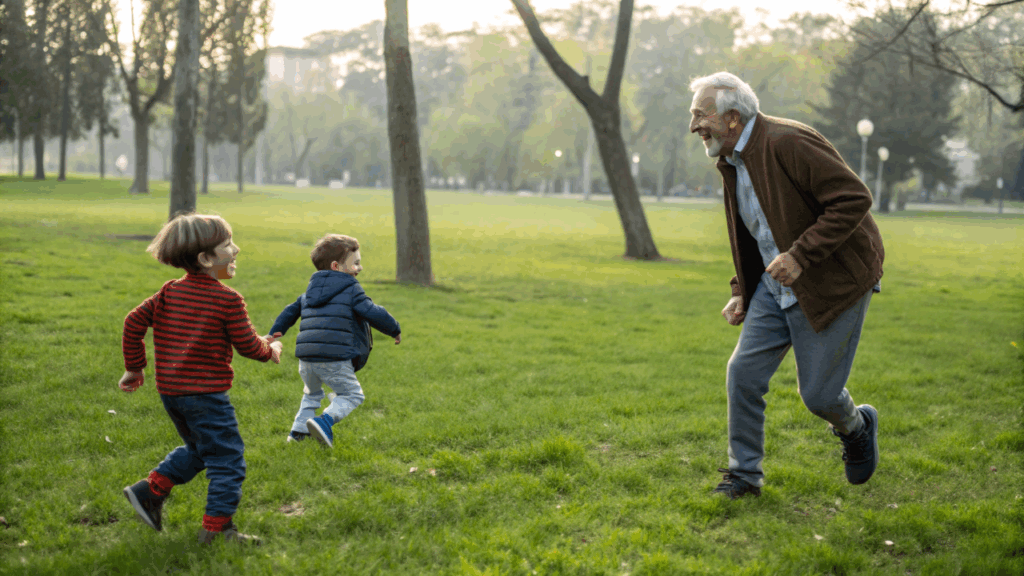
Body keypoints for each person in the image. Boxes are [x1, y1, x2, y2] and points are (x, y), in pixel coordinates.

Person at [688, 72, 884, 498]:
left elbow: (854, 198)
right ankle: (744, 477)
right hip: (777, 285)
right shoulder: (732, 160)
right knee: (743, 373)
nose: (693, 126)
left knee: (819, 395)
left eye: (700, 115)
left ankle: (857, 426)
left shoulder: (789, 142)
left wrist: (800, 256)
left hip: (833, 279)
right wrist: (742, 287)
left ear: (733, 118)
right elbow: (757, 230)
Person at [119, 213, 283, 544]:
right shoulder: (227, 299)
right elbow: (250, 347)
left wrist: (135, 368)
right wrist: (271, 349)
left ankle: (149, 491)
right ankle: (218, 531)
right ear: (206, 259)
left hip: (172, 393)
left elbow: (132, 322)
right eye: (227, 246)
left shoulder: (168, 293)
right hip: (206, 395)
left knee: (200, 448)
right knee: (227, 459)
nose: (236, 250)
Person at [268, 233, 401, 448]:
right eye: (356, 263)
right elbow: (372, 312)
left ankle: (297, 433)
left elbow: (290, 311)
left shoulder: (309, 292)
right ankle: (325, 421)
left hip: (307, 359)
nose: (360, 268)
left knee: (311, 395)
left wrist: (275, 332)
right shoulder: (351, 289)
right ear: (336, 266)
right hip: (335, 357)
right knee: (352, 395)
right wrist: (394, 329)